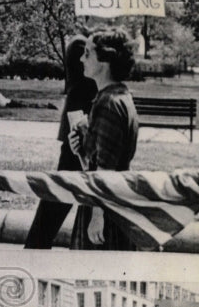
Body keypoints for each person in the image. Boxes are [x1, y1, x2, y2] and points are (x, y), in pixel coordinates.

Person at [25, 35, 97, 248]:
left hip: (78, 126)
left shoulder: (80, 42)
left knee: (58, 195)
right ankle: (36, 245)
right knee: (58, 195)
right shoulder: (80, 44)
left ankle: (36, 244)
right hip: (78, 129)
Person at [69, 31, 139, 250]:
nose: (82, 59)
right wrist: (81, 151)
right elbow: (102, 160)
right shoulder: (119, 95)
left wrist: (97, 216)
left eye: (88, 54)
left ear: (105, 60)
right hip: (115, 199)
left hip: (104, 206)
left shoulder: (108, 103)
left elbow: (105, 169)